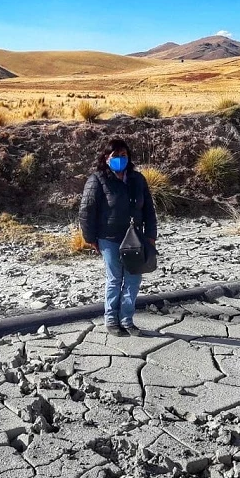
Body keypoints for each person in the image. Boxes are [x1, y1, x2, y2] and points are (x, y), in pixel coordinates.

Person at [79, 138, 157, 337]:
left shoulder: (137, 179)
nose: (120, 159)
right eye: (115, 156)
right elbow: (86, 211)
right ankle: (111, 319)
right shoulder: (97, 180)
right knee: (115, 279)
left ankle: (127, 319)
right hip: (109, 238)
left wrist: (150, 235)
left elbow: (149, 209)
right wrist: (91, 239)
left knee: (133, 279)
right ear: (106, 158)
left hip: (135, 239)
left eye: (124, 155)